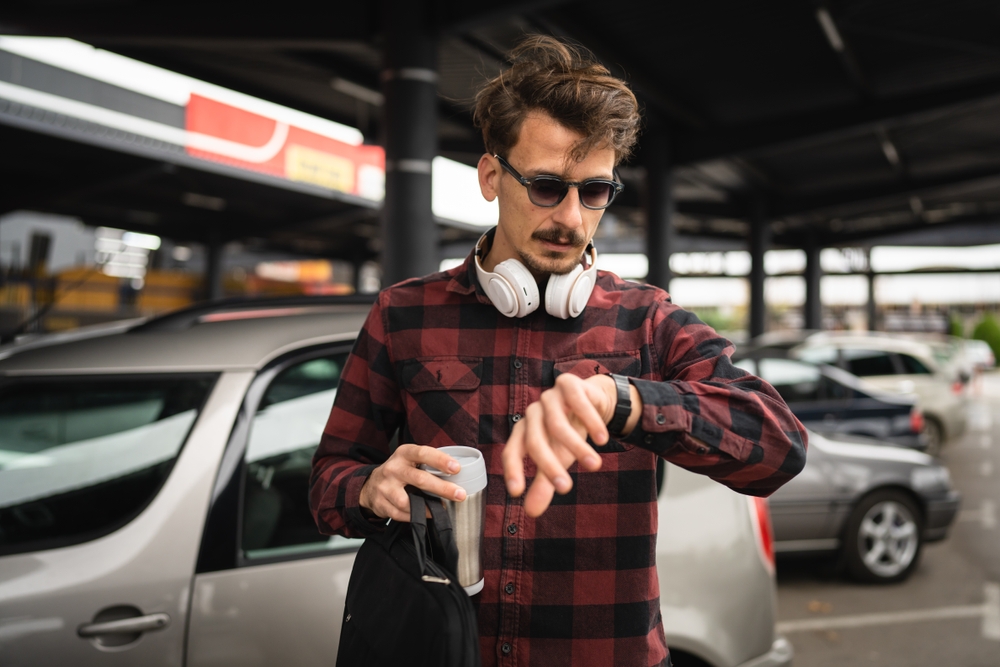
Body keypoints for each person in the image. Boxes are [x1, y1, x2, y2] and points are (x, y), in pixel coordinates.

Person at [310, 35, 807, 667]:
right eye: (547, 186)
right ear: (492, 176)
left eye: (594, 191)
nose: (572, 218)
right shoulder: (403, 314)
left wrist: (621, 400)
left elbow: (781, 448)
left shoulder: (646, 320)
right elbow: (327, 480)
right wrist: (368, 487)